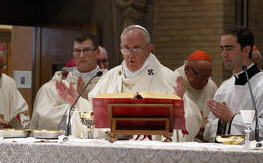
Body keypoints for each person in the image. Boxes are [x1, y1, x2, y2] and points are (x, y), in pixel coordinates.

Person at [60, 25, 201, 140]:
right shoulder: (110, 77)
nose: (130, 54)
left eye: (136, 48)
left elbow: (191, 120)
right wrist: (76, 102)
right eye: (126, 48)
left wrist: (182, 103)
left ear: (149, 49)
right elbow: (92, 115)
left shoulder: (169, 78)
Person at [204, 27, 263, 144]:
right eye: (222, 49)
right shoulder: (224, 88)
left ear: (246, 50)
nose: (224, 54)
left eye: (229, 49)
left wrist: (232, 118)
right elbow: (208, 133)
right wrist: (221, 123)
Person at [30, 33, 104, 130]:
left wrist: (84, 100)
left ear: (97, 52)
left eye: (86, 50)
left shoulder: (108, 81)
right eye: (77, 51)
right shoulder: (53, 87)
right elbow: (42, 117)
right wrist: (74, 107)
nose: (81, 56)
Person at [175, 50, 218, 137]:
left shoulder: (211, 86)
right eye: (200, 77)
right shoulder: (174, 83)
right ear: (187, 69)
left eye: (207, 77)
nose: (203, 82)